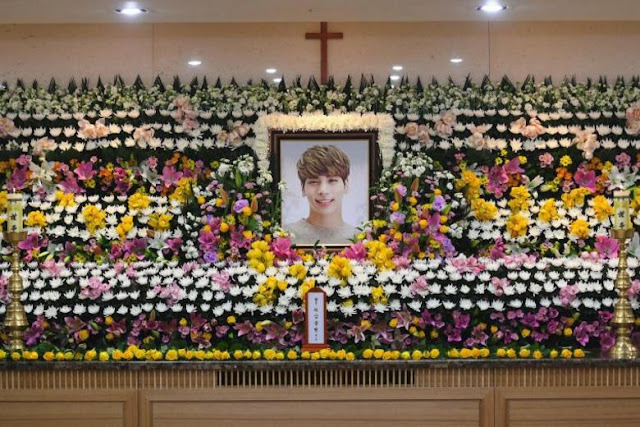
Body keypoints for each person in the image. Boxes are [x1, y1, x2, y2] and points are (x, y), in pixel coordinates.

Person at [285, 145, 358, 245]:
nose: (323, 190)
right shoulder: (285, 236)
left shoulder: (362, 239)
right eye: (314, 182)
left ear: (346, 185)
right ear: (303, 188)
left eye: (332, 181)